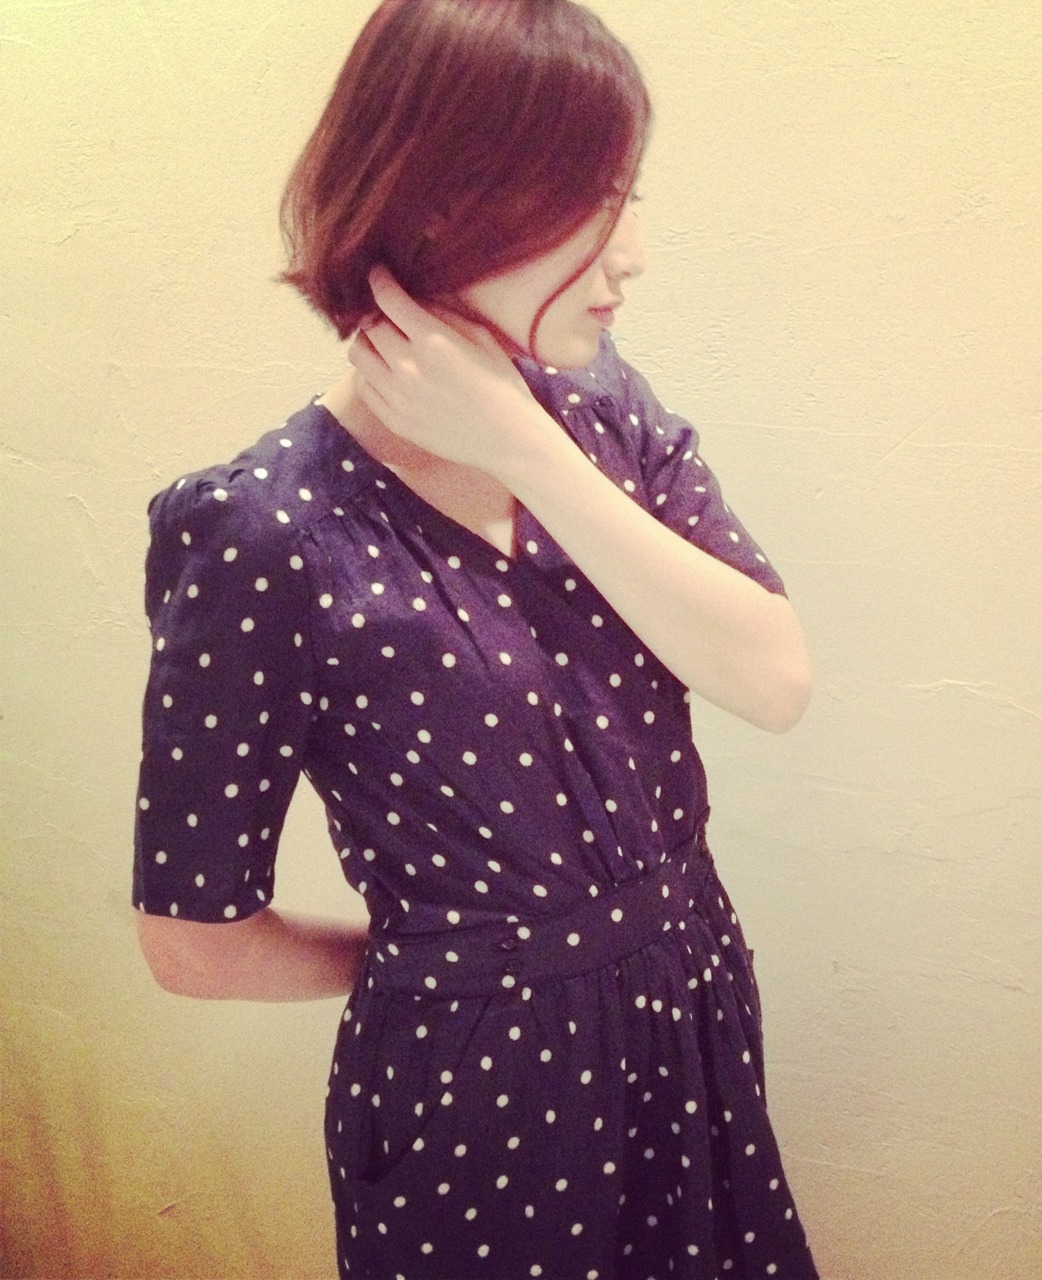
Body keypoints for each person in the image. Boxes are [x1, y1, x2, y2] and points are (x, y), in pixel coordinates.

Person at [132, 1, 818, 1276]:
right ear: (448, 202)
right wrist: (444, 964)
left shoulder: (598, 413)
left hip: (690, 1014)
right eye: (593, 203)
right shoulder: (264, 530)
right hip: (481, 1096)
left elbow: (772, 678)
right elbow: (192, 940)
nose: (632, 253)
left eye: (627, 196)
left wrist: (523, 451)